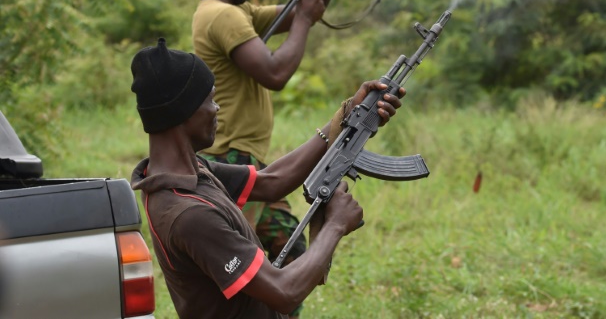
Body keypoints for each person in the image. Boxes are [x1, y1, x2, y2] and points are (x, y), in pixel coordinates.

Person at [129, 38, 403, 319]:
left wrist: (346, 118)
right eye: (210, 99)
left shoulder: (187, 172)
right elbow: (283, 292)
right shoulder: (189, 215)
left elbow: (271, 181)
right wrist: (335, 225)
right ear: (183, 111)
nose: (217, 109)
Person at [191, 0, 368, 305]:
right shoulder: (222, 16)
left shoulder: (235, 13)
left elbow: (297, 13)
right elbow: (275, 72)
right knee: (257, 266)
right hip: (232, 158)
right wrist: (304, 18)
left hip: (244, 157)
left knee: (290, 248)